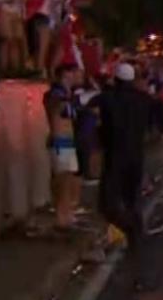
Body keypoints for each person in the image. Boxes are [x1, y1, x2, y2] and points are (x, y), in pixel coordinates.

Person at [93, 62, 154, 246]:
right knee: (132, 199)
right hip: (136, 155)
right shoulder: (144, 99)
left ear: (116, 79)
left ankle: (129, 228)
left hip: (114, 156)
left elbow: (85, 109)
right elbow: (157, 125)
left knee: (107, 203)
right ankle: (136, 234)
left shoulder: (106, 98)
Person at [45, 63, 83, 229]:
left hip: (69, 141)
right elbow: (54, 106)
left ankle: (67, 212)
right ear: (66, 74)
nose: (77, 77)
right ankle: (61, 215)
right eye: (74, 73)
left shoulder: (69, 95)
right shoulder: (55, 94)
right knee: (62, 179)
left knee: (69, 178)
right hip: (60, 140)